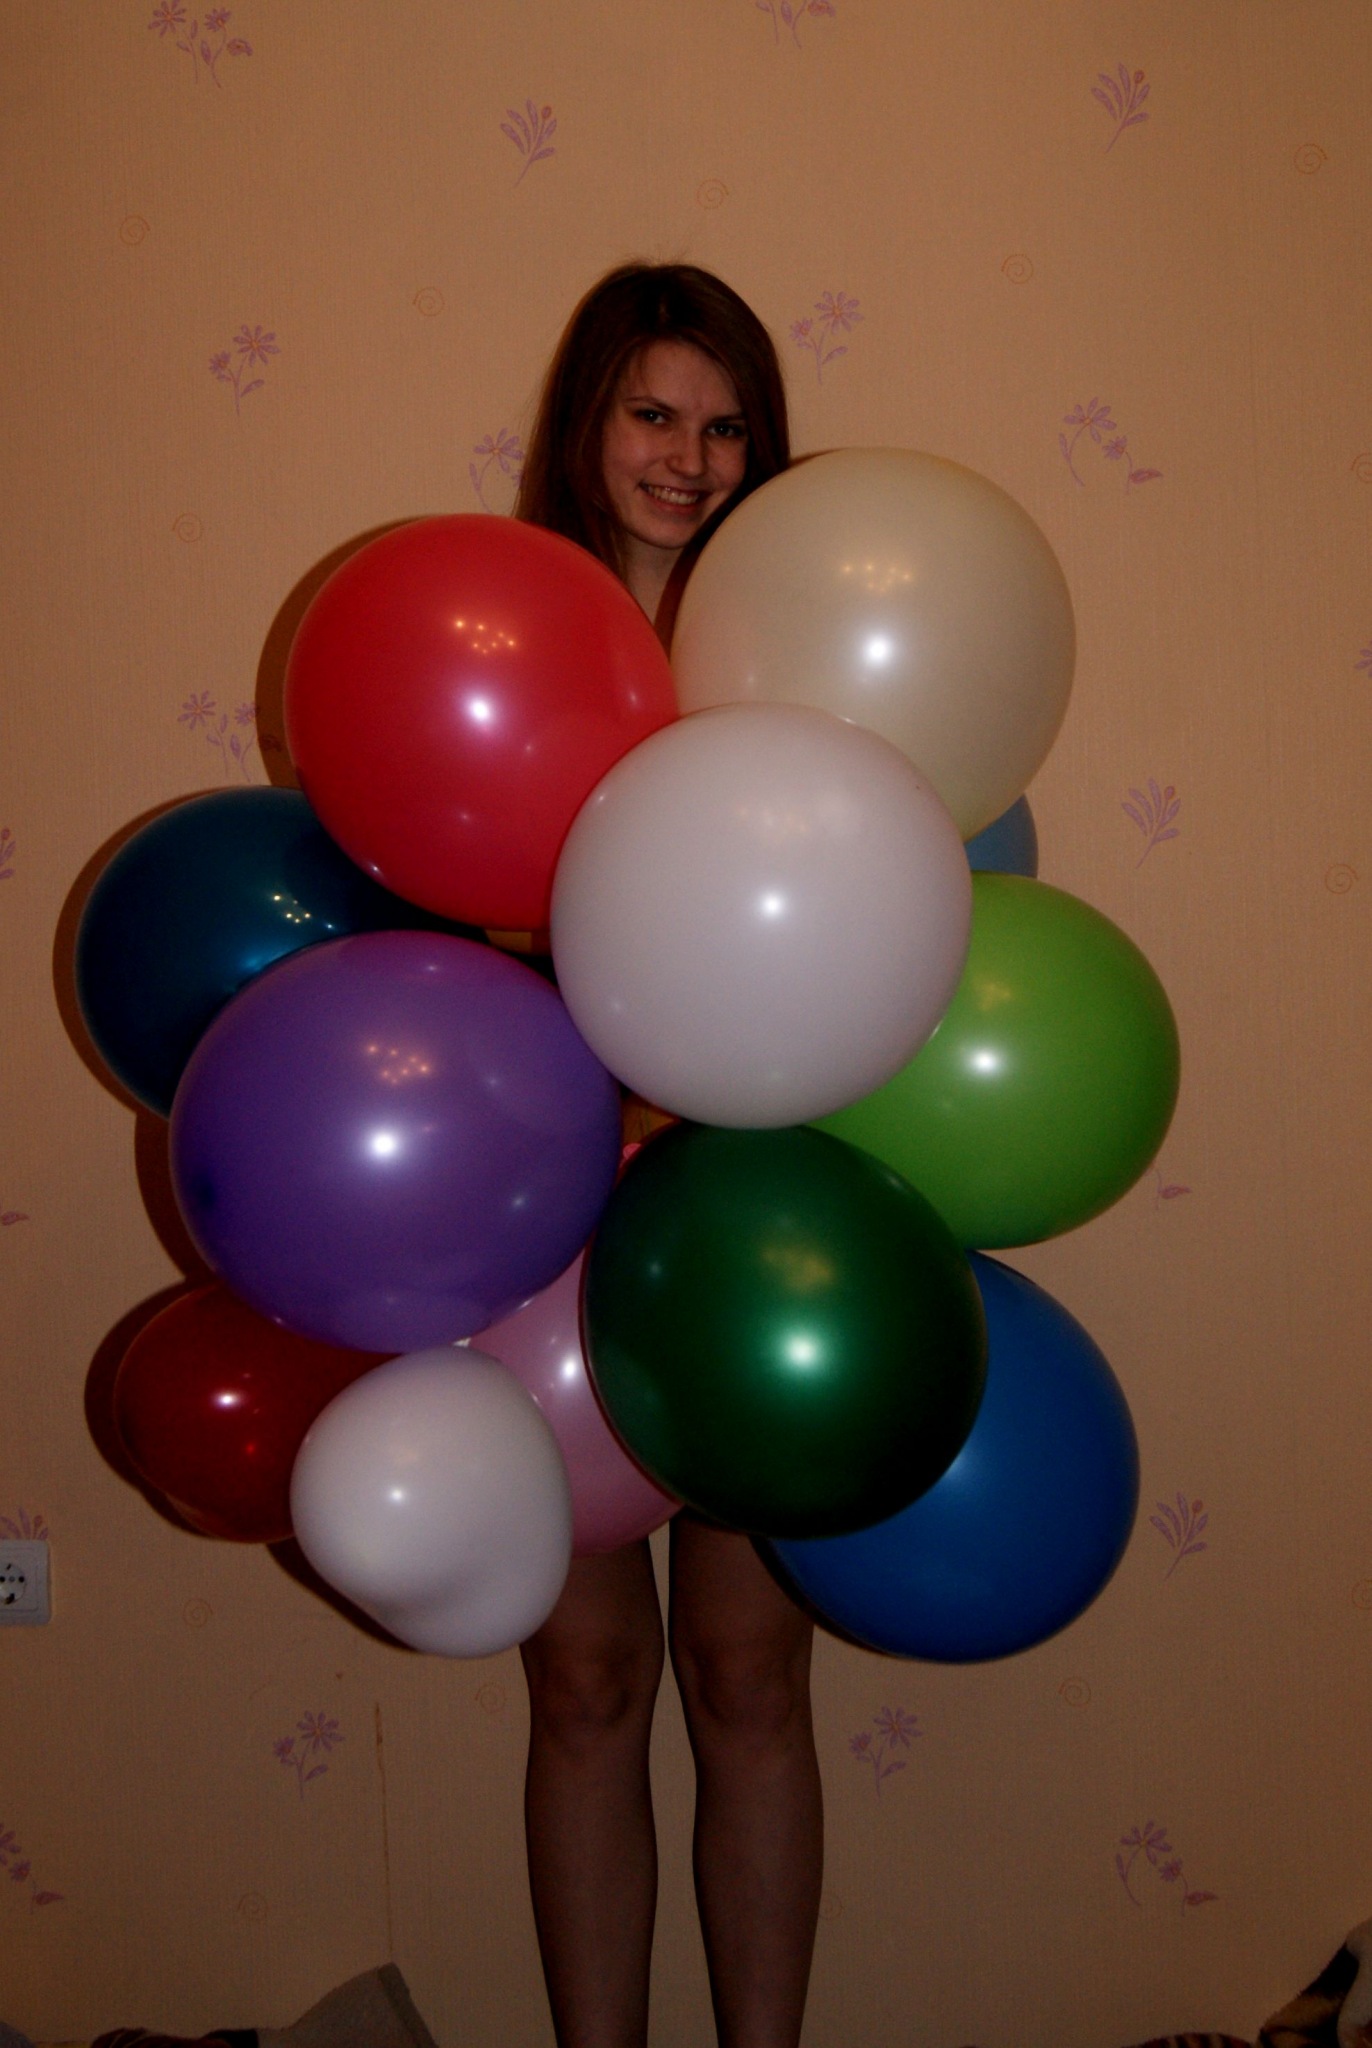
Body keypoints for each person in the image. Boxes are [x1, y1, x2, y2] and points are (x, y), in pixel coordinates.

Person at [512, 265, 823, 2048]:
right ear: (589, 425)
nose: (689, 459)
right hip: (540, 1220)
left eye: (727, 427)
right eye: (653, 413)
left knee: (747, 1673)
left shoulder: (798, 654)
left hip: (753, 1210)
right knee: (584, 1680)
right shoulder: (506, 654)